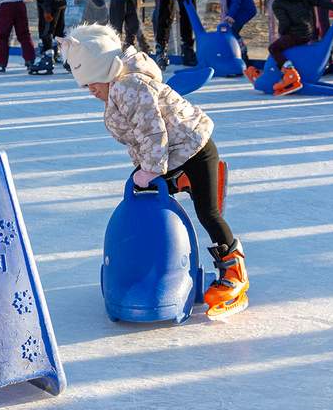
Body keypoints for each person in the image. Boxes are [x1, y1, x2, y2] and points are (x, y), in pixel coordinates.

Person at [61, 23, 249, 320]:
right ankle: (154, 268)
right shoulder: (120, 90)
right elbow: (141, 138)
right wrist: (147, 169)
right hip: (174, 155)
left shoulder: (129, 87)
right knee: (151, 201)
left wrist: (149, 170)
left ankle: (235, 273)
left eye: (91, 82)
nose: (90, 90)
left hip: (195, 149)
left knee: (208, 213)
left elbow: (152, 133)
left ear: (104, 71)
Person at [251, 0, 333, 95]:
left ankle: (289, 73)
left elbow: (285, 23)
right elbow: (317, 1)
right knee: (284, 44)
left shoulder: (278, 3)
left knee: (274, 48)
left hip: (297, 35)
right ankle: (285, 71)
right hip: (309, 32)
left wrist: (282, 34)